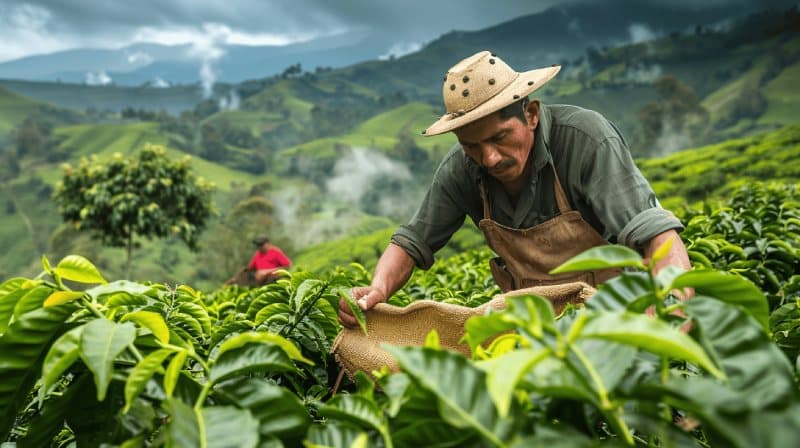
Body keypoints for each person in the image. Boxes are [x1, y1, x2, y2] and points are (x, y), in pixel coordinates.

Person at [339, 50, 691, 327]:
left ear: (532, 114)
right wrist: (378, 290)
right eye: (472, 147)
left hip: (621, 315)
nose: (489, 158)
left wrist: (668, 321)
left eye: (500, 138)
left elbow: (657, 235)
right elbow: (412, 241)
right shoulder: (461, 170)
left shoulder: (585, 141)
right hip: (536, 329)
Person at [227, 234, 292, 286]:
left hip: (274, 280)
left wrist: (267, 272)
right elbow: (249, 268)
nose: (259, 247)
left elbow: (287, 266)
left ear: (268, 243)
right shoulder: (258, 254)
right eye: (258, 245)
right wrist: (235, 279)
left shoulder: (275, 252)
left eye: (261, 244)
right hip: (261, 282)